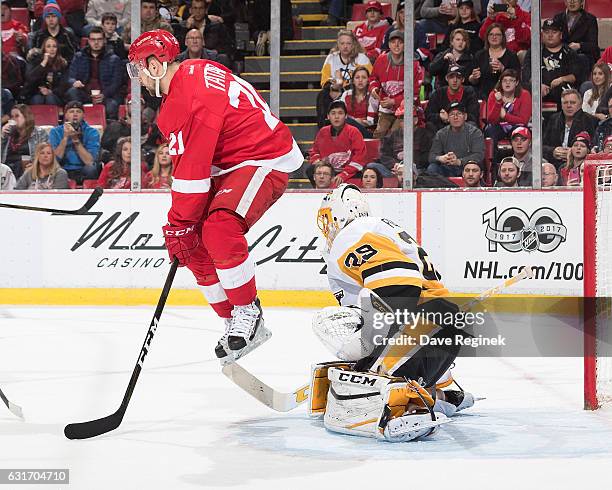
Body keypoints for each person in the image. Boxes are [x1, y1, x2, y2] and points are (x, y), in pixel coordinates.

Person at [127, 30, 303, 361]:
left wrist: (178, 221)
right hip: (231, 161)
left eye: (137, 68)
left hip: (264, 156)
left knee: (219, 228)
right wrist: (181, 227)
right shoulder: (191, 72)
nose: (136, 77)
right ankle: (233, 319)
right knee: (190, 242)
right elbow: (194, 166)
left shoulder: (187, 99)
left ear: (154, 64)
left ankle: (248, 313)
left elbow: (191, 176)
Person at [312, 184, 474, 442]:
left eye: (329, 219)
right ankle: (443, 394)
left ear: (341, 214)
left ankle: (404, 406)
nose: (328, 228)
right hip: (440, 329)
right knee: (368, 314)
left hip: (422, 328)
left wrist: (369, 362)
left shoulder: (354, 233)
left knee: (329, 321)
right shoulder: (381, 230)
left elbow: (399, 287)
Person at [370, 30, 425, 139]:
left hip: (405, 109)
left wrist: (395, 101)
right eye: (393, 42)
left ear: (405, 44)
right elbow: (373, 78)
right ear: (389, 44)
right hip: (386, 107)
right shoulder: (381, 60)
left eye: (400, 42)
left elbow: (415, 92)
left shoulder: (414, 64)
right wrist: (374, 89)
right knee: (378, 135)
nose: (396, 45)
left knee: (395, 135)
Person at [65, 26, 125, 120]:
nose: (96, 42)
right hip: (84, 93)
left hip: (105, 95)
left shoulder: (114, 59)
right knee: (72, 92)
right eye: (93, 39)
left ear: (104, 40)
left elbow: (116, 83)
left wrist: (104, 95)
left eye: (99, 39)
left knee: (112, 105)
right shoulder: (79, 57)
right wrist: (74, 82)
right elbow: (70, 77)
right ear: (88, 41)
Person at [308, 100, 367, 184]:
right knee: (310, 170)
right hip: (327, 171)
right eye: (333, 113)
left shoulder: (354, 132)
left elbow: (359, 158)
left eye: (340, 113)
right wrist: (318, 162)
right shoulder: (322, 132)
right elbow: (314, 151)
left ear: (346, 116)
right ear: (328, 116)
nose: (336, 117)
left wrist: (344, 174)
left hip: (349, 171)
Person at [428, 101, 485, 178]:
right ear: (448, 118)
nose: (455, 117)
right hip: (447, 168)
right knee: (432, 168)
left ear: (465, 116)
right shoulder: (441, 133)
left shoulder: (475, 132)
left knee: (474, 168)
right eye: (452, 114)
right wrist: (440, 158)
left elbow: (479, 155)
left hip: (467, 168)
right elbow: (431, 156)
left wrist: (459, 161)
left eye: (459, 113)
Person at [543, 89, 597, 168]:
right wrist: (553, 151)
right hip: (554, 164)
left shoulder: (591, 121)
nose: (568, 106)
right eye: (565, 103)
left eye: (572, 103)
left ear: (580, 104)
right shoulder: (553, 119)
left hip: (580, 164)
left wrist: (574, 152)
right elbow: (542, 146)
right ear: (561, 105)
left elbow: (594, 147)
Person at [49, 100, 100, 183]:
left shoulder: (92, 132)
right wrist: (65, 138)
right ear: (66, 115)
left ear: (83, 115)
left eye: (78, 112)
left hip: (83, 169)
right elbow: (54, 160)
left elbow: (89, 161)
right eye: (71, 111)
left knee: (91, 169)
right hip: (63, 169)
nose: (75, 114)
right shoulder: (55, 132)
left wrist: (75, 139)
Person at [469, 22, 520, 99]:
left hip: (505, 95)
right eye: (491, 34)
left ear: (503, 37)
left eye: (498, 35)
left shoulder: (511, 56)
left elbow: (517, 78)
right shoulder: (479, 55)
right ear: (487, 37)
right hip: (483, 95)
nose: (494, 37)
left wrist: (503, 69)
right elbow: (472, 80)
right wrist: (474, 77)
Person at [426, 64, 480, 133]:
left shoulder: (470, 92)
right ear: (446, 78)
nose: (455, 80)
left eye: (458, 77)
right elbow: (428, 115)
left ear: (463, 79)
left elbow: (474, 116)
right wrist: (440, 116)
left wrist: (453, 118)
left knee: (472, 125)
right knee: (430, 125)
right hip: (443, 128)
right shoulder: (438, 93)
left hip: (463, 128)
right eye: (451, 77)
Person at [1, 104, 49, 180]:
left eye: (17, 116)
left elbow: (47, 155)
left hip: (28, 170)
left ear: (26, 117)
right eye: (12, 117)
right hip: (7, 171)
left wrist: (35, 165)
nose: (13, 119)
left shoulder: (39, 133)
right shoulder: (8, 134)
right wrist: (2, 136)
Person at [485, 68, 531, 147]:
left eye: (511, 80)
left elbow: (523, 121)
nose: (507, 83)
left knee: (520, 131)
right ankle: (492, 159)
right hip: (498, 127)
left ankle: (519, 159)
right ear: (501, 82)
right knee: (490, 130)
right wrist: (498, 103)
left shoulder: (524, 95)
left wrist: (505, 116)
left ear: (516, 83)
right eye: (505, 80)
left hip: (517, 126)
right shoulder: (494, 95)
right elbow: (491, 120)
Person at [553, 0, 599, 72]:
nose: (572, 2)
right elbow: (554, 40)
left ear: (582, 2)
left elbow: (593, 45)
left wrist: (579, 46)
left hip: (582, 55)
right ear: (565, 2)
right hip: (562, 54)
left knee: (579, 59)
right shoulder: (557, 18)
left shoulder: (590, 19)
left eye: (575, 0)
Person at [24, 36, 69, 106]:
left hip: (56, 95)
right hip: (36, 93)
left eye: (54, 46)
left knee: (50, 98)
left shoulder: (62, 63)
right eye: (48, 46)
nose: (52, 49)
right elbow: (30, 79)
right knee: (37, 99)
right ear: (44, 49)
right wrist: (43, 63)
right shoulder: (36, 61)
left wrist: (51, 91)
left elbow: (64, 84)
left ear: (57, 49)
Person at [339, 66, 378, 137]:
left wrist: (355, 122)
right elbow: (341, 114)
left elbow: (370, 122)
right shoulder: (346, 94)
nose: (360, 80)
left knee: (347, 121)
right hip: (347, 129)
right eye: (357, 77)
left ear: (368, 81)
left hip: (366, 131)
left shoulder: (372, 96)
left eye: (363, 77)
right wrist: (356, 121)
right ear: (353, 81)